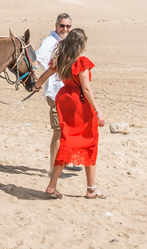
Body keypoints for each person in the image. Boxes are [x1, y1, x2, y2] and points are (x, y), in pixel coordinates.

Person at [33, 28, 107, 199]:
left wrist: (37, 87)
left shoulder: (60, 59)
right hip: (80, 105)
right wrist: (98, 111)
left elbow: (44, 76)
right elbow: (86, 89)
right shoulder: (81, 62)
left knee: (66, 141)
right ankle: (91, 189)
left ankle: (52, 186)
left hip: (64, 100)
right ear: (81, 44)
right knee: (89, 142)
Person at [34, 13, 82, 178]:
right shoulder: (49, 42)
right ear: (56, 26)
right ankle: (54, 169)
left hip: (67, 91)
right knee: (58, 132)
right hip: (55, 93)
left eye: (68, 26)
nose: (65, 29)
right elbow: (38, 60)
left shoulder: (66, 42)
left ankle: (66, 161)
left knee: (68, 130)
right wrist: (36, 83)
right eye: (62, 26)